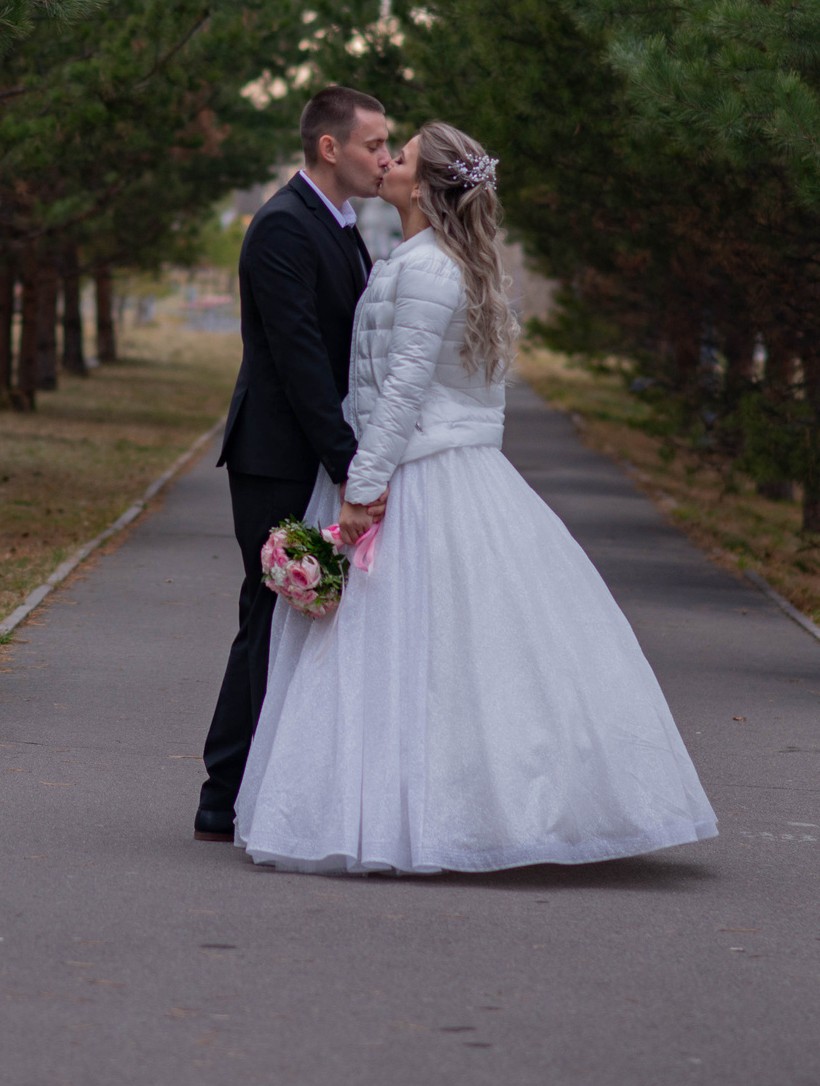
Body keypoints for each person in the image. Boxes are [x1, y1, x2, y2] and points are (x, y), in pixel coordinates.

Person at [234, 122, 718, 873]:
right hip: (424, 465)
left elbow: (403, 390)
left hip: (417, 475)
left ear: (424, 188)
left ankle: (437, 816)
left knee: (419, 652)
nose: (389, 160)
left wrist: (361, 488)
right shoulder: (424, 260)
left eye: (404, 155)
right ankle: (415, 804)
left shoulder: (427, 270)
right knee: (434, 654)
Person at [195, 85, 392, 842]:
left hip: (316, 450)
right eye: (375, 144)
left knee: (287, 618)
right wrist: (352, 466)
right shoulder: (282, 226)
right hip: (278, 455)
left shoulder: (340, 225)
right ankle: (222, 791)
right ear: (329, 147)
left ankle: (253, 784)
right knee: (270, 609)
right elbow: (302, 361)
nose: (385, 156)